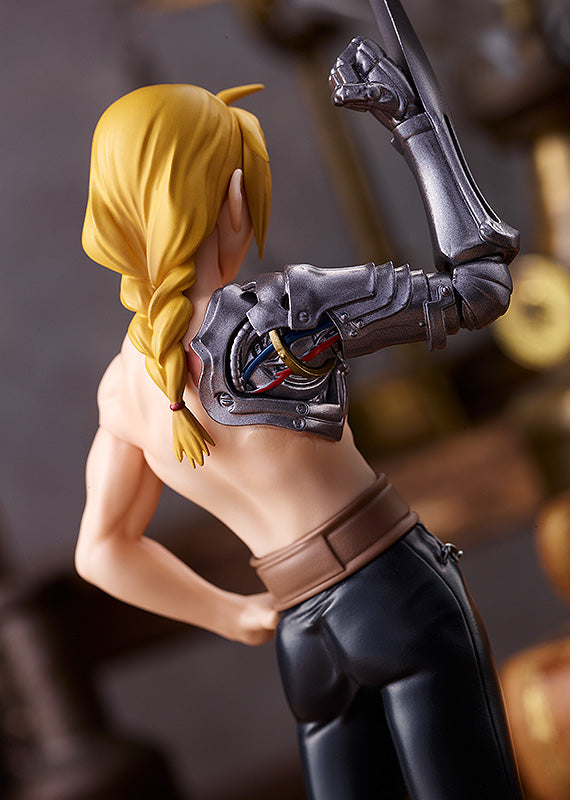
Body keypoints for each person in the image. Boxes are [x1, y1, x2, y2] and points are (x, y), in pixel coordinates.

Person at [76, 42, 524, 800]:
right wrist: (414, 127)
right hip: (393, 594)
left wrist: (234, 616)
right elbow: (480, 289)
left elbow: (103, 551)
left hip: (303, 639)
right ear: (236, 197)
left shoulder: (121, 389)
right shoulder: (287, 308)